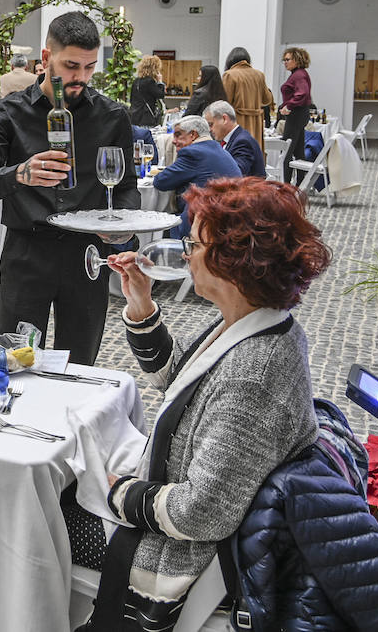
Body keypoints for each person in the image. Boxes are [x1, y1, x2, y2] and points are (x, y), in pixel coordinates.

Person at [65, 179, 333, 632]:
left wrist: (116, 491)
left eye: (195, 243)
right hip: (189, 516)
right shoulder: (254, 323)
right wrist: (142, 306)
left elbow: (200, 513)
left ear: (234, 261)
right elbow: (180, 381)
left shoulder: (256, 373)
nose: (185, 254)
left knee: (40, 517)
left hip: (187, 554)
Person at [0, 11, 140, 364]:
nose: (81, 77)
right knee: (16, 362)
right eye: (71, 66)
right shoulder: (6, 113)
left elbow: (126, 189)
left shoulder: (112, 116)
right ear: (46, 59)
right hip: (27, 252)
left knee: (80, 366)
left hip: (87, 257)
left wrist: (123, 231)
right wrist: (19, 174)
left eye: (90, 68)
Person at [152, 116, 242, 236]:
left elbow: (160, 182)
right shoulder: (218, 149)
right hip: (231, 220)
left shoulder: (193, 153)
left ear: (193, 135)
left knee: (161, 225)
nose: (173, 141)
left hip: (204, 224)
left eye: (178, 134)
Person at [221, 47, 275, 152]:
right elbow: (267, 99)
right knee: (254, 154)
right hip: (256, 123)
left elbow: (225, 103)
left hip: (237, 121)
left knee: (238, 154)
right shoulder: (259, 75)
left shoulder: (229, 75)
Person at [278, 47, 314, 183]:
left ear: (297, 60)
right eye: (284, 60)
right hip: (299, 114)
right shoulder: (298, 74)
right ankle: (299, 183)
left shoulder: (298, 75)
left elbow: (303, 93)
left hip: (296, 115)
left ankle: (286, 185)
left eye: (287, 60)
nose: (285, 62)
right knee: (298, 151)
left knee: (286, 151)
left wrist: (289, 105)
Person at [204, 100, 264, 178]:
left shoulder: (243, 141)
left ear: (225, 119)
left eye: (211, 124)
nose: (210, 129)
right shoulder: (233, 138)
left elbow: (236, 173)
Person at [129, 54, 167, 127]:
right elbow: (161, 95)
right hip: (146, 118)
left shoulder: (136, 81)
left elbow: (131, 99)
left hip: (135, 117)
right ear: (154, 68)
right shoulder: (149, 81)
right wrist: (160, 82)